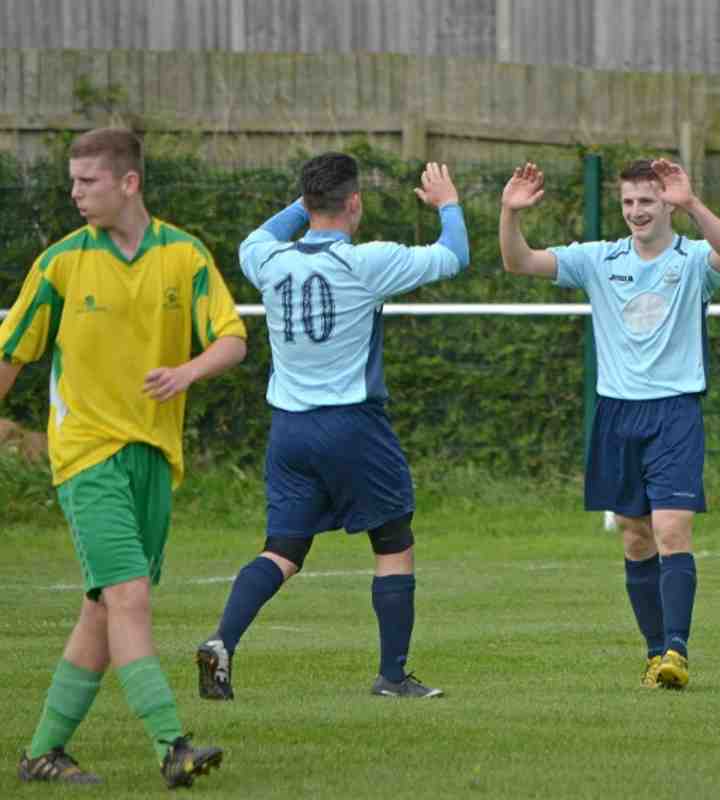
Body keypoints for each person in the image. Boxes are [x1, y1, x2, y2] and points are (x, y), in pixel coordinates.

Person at [0, 127, 247, 787]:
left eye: (88, 181)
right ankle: (172, 744)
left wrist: (187, 372)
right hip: (87, 456)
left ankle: (43, 753)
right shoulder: (60, 263)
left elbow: (232, 338)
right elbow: (12, 352)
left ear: (128, 183)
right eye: (73, 181)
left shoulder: (184, 256)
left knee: (103, 609)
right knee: (130, 597)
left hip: (153, 460)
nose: (74, 192)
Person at [196, 152, 469, 700]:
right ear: (355, 203)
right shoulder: (366, 262)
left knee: (283, 549)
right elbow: (454, 256)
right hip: (351, 424)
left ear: (306, 202)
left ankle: (223, 641)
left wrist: (305, 202)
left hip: (289, 431)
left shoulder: (266, 260)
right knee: (392, 541)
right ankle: (393, 676)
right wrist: (449, 204)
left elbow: (260, 235)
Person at [499, 158, 720, 689]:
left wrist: (694, 204)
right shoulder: (598, 259)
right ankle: (655, 654)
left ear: (666, 205)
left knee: (672, 530)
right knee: (636, 541)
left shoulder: (693, 259)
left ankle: (677, 651)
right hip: (616, 413)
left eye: (648, 202)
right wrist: (509, 212)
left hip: (675, 409)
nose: (636, 211)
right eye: (629, 202)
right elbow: (518, 262)